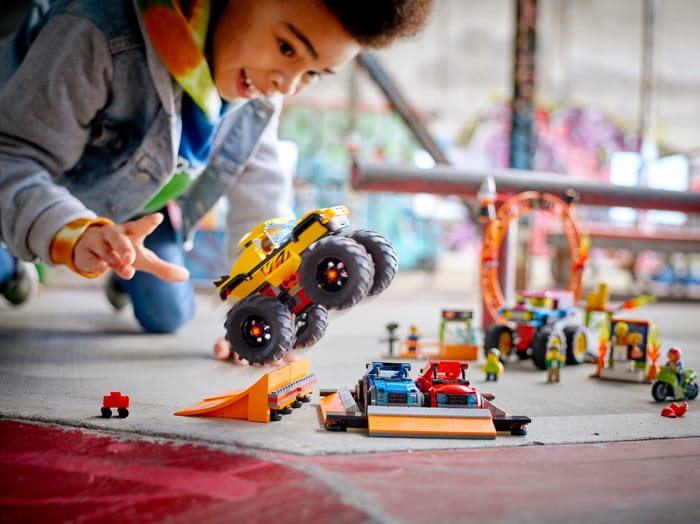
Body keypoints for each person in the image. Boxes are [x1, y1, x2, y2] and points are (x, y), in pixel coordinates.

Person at [0, 0, 434, 360]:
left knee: (168, 315)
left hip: (143, 212)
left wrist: (260, 311)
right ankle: (13, 266)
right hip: (39, 193)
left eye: (313, 73)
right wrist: (74, 232)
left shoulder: (260, 94)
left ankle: (120, 270)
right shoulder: (96, 31)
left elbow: (261, 198)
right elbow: (12, 159)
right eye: (286, 47)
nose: (286, 84)